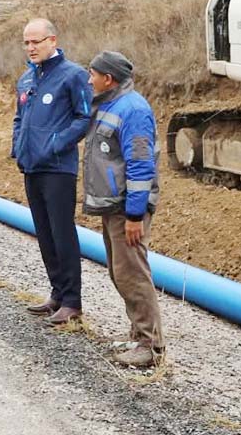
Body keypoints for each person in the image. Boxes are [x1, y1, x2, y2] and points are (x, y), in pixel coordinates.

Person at [83, 51, 165, 367]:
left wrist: (134, 215)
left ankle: (150, 346)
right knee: (121, 273)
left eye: (93, 74)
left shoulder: (134, 110)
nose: (89, 80)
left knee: (133, 274)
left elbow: (141, 165)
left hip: (126, 210)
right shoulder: (109, 104)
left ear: (109, 78)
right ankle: (138, 336)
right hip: (113, 206)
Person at [12, 18, 92, 325]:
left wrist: (56, 143)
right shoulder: (26, 80)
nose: (31, 48)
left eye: (36, 42)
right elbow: (19, 118)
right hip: (31, 167)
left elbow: (84, 118)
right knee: (44, 233)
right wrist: (18, 146)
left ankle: (72, 300)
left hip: (58, 168)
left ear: (52, 41)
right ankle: (57, 294)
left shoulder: (72, 76)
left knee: (62, 232)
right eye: (26, 43)